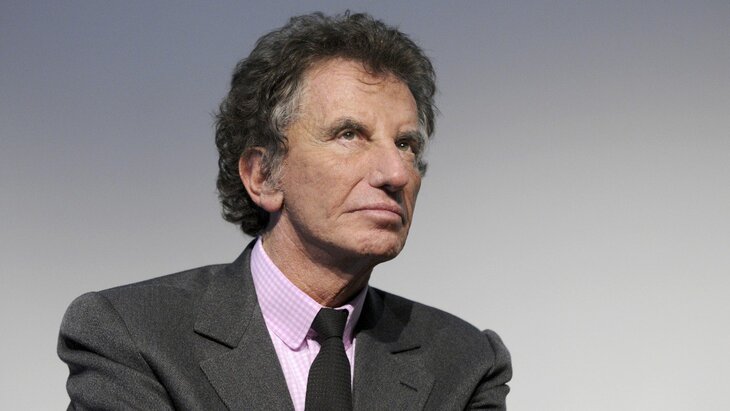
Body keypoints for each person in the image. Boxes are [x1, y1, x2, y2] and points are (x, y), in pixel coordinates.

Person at [58, 12, 512, 410]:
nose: (395, 172)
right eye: (349, 135)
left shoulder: (464, 362)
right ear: (263, 176)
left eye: (406, 144)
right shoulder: (133, 336)